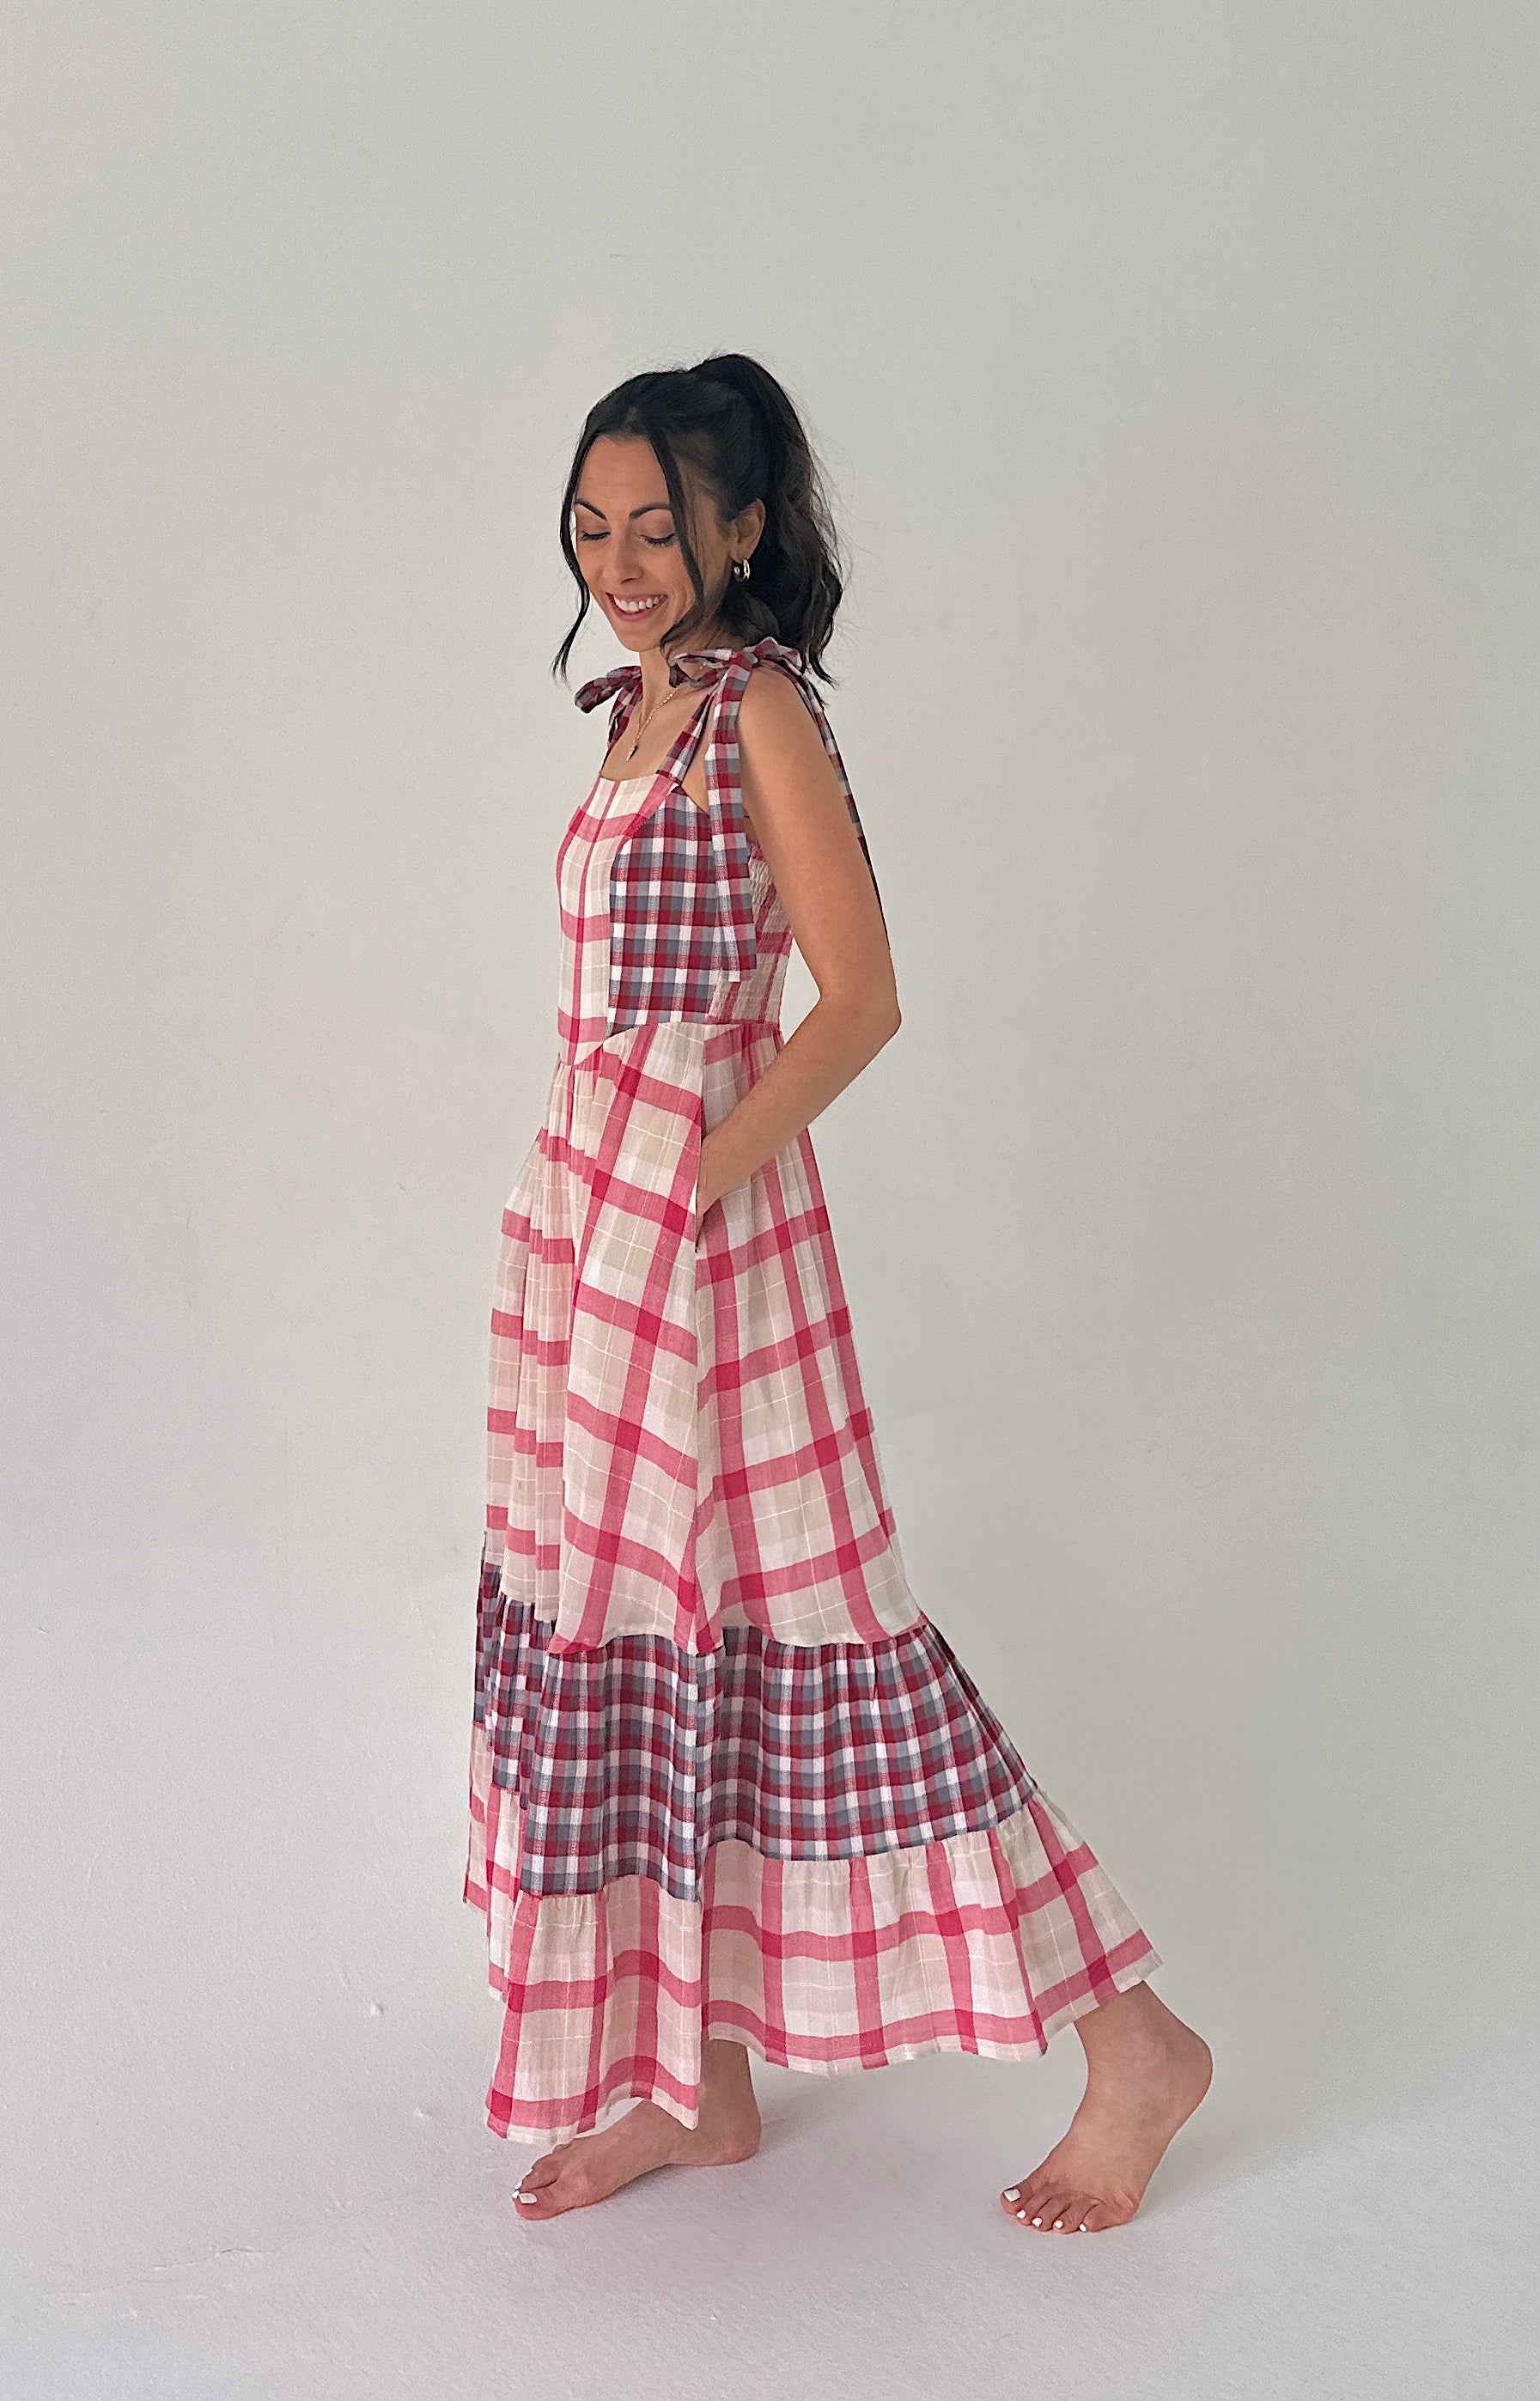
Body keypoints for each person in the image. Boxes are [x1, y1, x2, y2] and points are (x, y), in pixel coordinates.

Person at [464, 353, 1213, 2236]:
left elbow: (858, 997)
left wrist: (688, 1182)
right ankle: (693, 2083)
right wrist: (597, 1202)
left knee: (823, 1625)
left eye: (657, 526)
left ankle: (1135, 2045)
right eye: (591, 525)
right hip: (593, 1225)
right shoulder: (626, 712)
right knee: (642, 1624)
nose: (620, 560)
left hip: (702, 1238)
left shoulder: (753, 714)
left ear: (739, 530)